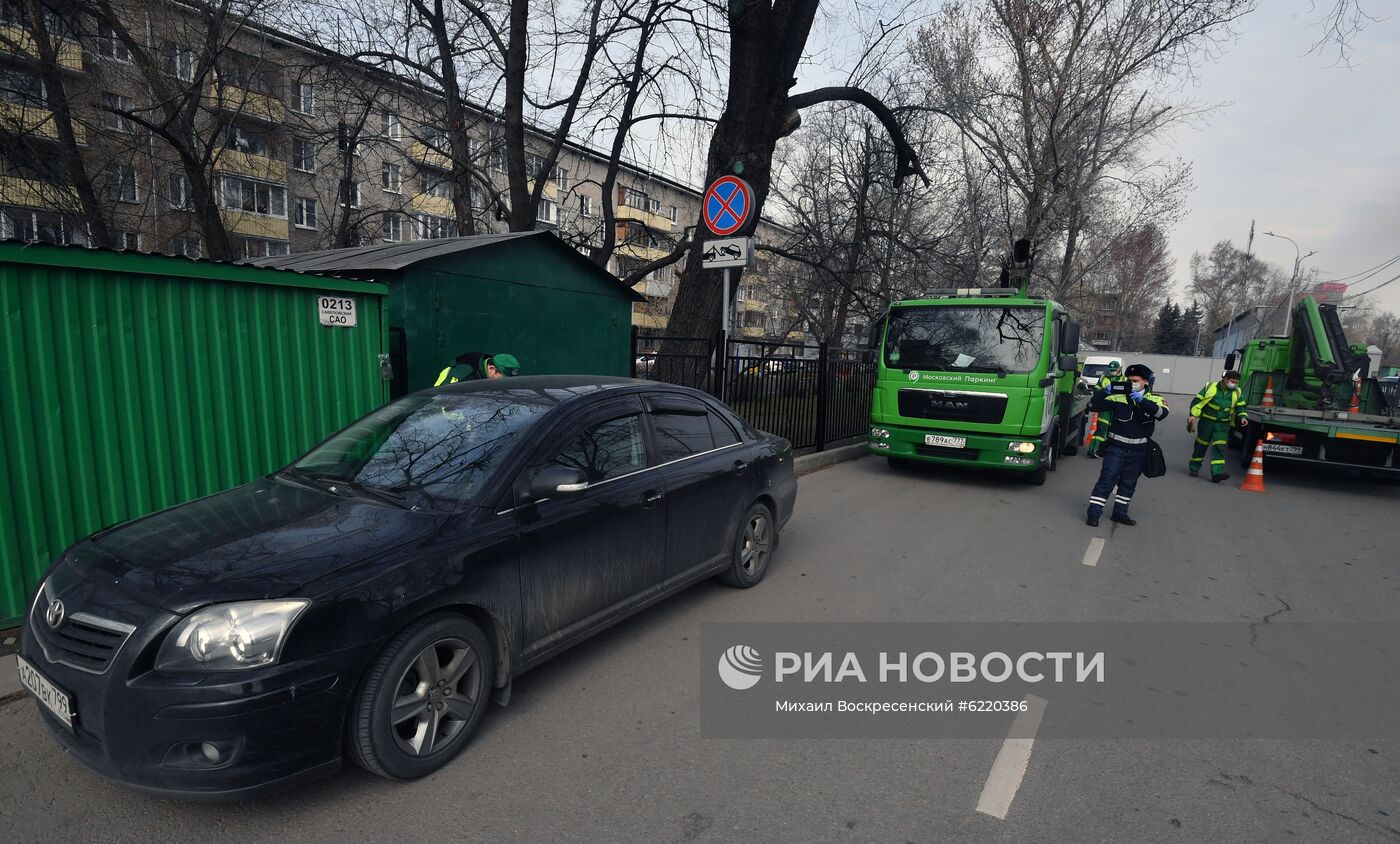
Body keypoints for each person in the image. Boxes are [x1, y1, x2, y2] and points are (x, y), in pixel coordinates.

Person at [1086, 363, 1170, 527]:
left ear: (1145, 381)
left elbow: (1161, 414)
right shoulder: (1117, 397)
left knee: (1128, 482)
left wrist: (1141, 401)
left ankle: (1120, 513)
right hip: (1116, 448)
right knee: (1107, 480)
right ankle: (1094, 514)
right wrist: (1104, 392)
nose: (1132, 382)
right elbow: (1093, 406)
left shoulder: (1154, 398)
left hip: (1138, 451)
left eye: (1135, 380)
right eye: (1129, 380)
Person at [1188, 369, 1248, 482]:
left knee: (1219, 447)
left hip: (1223, 424)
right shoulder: (1210, 387)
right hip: (1207, 422)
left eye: (1236, 382)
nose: (1234, 384)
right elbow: (1197, 401)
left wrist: (1242, 416)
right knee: (1201, 445)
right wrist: (1193, 415)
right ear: (1225, 379)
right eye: (1232, 381)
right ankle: (1194, 468)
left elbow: (1240, 406)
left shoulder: (1237, 392)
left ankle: (1217, 473)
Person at [1086, 360, 1122, 458]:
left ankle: (1109, 450)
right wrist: (1104, 391)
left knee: (1114, 430)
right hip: (1105, 407)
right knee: (1101, 428)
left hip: (1118, 408)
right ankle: (1094, 449)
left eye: (1114, 370)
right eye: (1110, 370)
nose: (1112, 372)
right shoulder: (1103, 378)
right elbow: (1096, 391)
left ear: (1119, 369)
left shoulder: (1124, 378)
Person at [434, 352, 521, 386]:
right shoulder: (463, 376)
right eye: (504, 380)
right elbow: (442, 405)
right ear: (491, 369)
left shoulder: (485, 370)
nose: (505, 384)